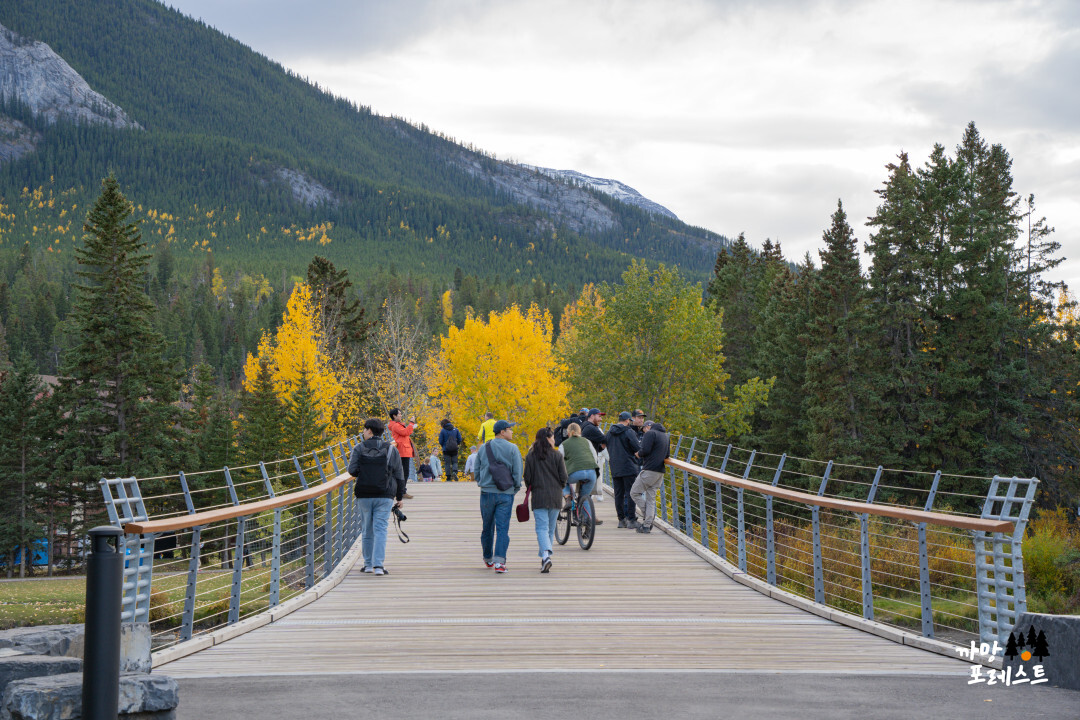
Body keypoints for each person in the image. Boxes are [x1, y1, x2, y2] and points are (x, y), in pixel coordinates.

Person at [347, 418, 406, 575]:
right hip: (385, 494)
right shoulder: (391, 449)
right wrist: (399, 497)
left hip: (364, 494)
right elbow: (400, 475)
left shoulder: (359, 448)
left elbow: (352, 471)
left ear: (370, 431)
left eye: (365, 430)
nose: (363, 432)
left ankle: (367, 565)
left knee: (367, 530)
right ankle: (378, 566)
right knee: (380, 529)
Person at [474, 420, 523, 573]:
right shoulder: (513, 448)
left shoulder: (484, 448)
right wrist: (514, 488)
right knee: (503, 528)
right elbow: (517, 472)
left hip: (487, 492)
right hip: (505, 494)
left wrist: (482, 482)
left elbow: (477, 468)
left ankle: (488, 558)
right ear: (502, 432)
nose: (512, 432)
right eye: (510, 429)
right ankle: (499, 563)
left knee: (487, 527)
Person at [523, 427, 568, 573]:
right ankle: (545, 557)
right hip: (555, 496)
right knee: (549, 528)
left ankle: (545, 555)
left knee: (541, 528)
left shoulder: (530, 456)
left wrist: (532, 485)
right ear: (548, 438)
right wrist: (559, 487)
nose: (554, 440)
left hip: (539, 497)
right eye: (553, 437)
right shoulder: (557, 455)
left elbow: (527, 478)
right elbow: (564, 477)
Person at [558, 422, 602, 522]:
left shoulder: (564, 444)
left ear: (568, 433)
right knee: (585, 496)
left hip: (575, 472)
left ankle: (568, 498)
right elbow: (595, 457)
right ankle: (588, 524)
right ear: (580, 432)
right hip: (592, 473)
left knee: (561, 480)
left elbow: (558, 461)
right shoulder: (587, 441)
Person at [631, 421, 670, 533]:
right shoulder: (665, 436)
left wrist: (638, 454)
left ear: (648, 427)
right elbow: (667, 455)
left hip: (649, 470)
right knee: (651, 498)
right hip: (660, 471)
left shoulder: (650, 433)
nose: (644, 431)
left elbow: (645, 450)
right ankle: (647, 525)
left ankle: (649, 517)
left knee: (634, 492)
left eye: (644, 429)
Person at [605, 411, 641, 529]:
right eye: (630, 421)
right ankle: (631, 519)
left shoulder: (609, 432)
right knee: (631, 493)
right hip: (629, 466)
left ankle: (621, 520)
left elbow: (605, 446)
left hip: (615, 466)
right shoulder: (629, 432)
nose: (630, 423)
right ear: (627, 420)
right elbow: (637, 449)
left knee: (618, 494)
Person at [388, 408, 417, 498]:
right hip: (402, 451)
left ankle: (401, 491)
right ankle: (401, 492)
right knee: (404, 472)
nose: (401, 415)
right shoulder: (396, 426)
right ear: (394, 416)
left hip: (403, 450)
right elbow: (406, 432)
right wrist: (411, 423)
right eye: (399, 414)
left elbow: (406, 432)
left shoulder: (396, 425)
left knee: (404, 472)